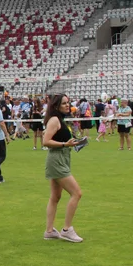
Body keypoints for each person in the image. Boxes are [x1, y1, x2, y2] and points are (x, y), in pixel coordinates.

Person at [42, 94, 83, 243]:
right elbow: (46, 141)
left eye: (68, 103)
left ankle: (49, 231)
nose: (67, 105)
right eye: (64, 103)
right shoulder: (54, 120)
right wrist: (65, 144)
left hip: (62, 158)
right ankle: (67, 230)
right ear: (56, 106)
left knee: (55, 197)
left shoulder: (60, 120)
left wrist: (73, 143)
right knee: (77, 193)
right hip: (57, 160)